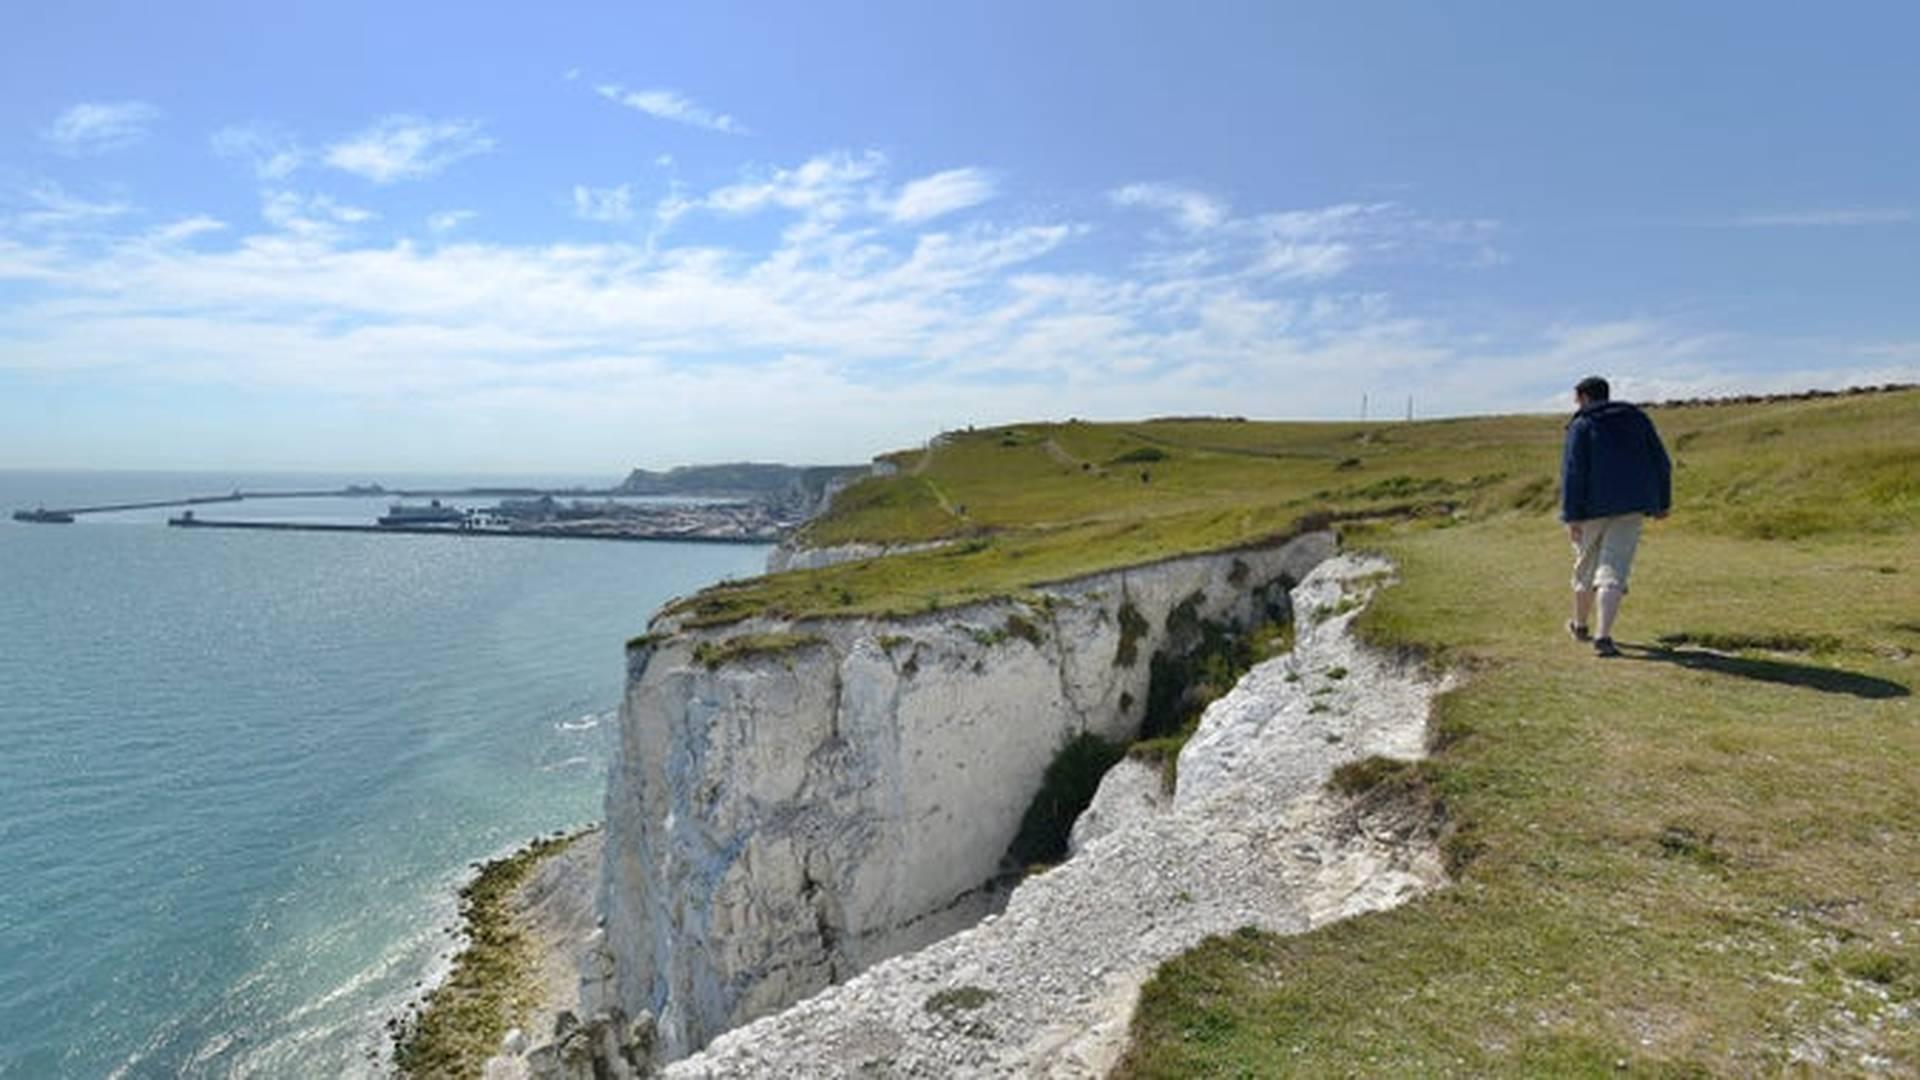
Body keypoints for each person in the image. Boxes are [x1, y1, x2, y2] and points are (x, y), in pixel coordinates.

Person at [1560, 375, 1671, 657]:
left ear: (1584, 397)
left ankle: (1580, 626)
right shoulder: (1637, 419)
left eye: (1576, 397)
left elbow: (1573, 473)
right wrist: (1662, 502)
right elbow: (1660, 461)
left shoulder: (1582, 424)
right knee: (1613, 570)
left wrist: (1571, 516)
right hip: (1632, 504)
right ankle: (1603, 636)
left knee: (1585, 566)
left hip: (1590, 509)